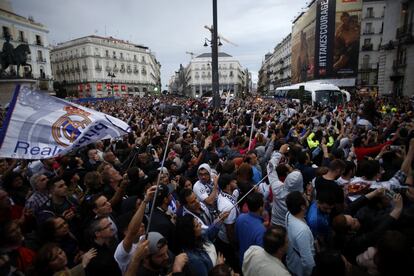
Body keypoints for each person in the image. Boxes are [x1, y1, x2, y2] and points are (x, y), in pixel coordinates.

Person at [285, 191, 315, 276]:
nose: (307, 197)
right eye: (305, 197)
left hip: (291, 260)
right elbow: (308, 261)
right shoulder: (302, 230)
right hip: (299, 270)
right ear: (302, 207)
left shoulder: (288, 214)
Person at [235, 192, 266, 264]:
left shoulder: (240, 218)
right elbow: (261, 255)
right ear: (261, 208)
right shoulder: (261, 230)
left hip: (242, 259)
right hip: (252, 265)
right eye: (264, 203)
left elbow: (236, 239)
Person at [29, 243, 96, 276]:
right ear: (47, 265)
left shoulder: (66, 265)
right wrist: (83, 264)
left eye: (61, 252)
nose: (61, 257)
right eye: (55, 258)